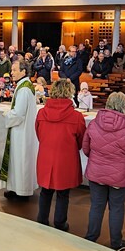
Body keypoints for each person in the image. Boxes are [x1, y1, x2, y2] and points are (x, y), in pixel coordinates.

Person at [83, 92, 125, 251]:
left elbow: (86, 148)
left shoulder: (93, 124)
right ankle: (116, 243)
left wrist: (97, 160)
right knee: (116, 208)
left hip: (96, 173)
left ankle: (91, 238)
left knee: (96, 206)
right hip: (119, 176)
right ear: (124, 106)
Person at [34, 79, 86, 231]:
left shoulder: (41, 113)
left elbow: (39, 134)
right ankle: (60, 222)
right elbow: (81, 140)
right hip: (66, 158)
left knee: (45, 191)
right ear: (69, 93)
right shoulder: (76, 117)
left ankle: (42, 219)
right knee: (63, 193)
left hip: (46, 156)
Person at [0, 62, 38, 200]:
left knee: (20, 160)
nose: (12, 73)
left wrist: (7, 114)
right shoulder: (25, 85)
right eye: (12, 70)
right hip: (23, 130)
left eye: (14, 70)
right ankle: (16, 188)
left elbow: (19, 114)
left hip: (21, 131)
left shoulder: (24, 89)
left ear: (23, 71)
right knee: (19, 160)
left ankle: (21, 191)